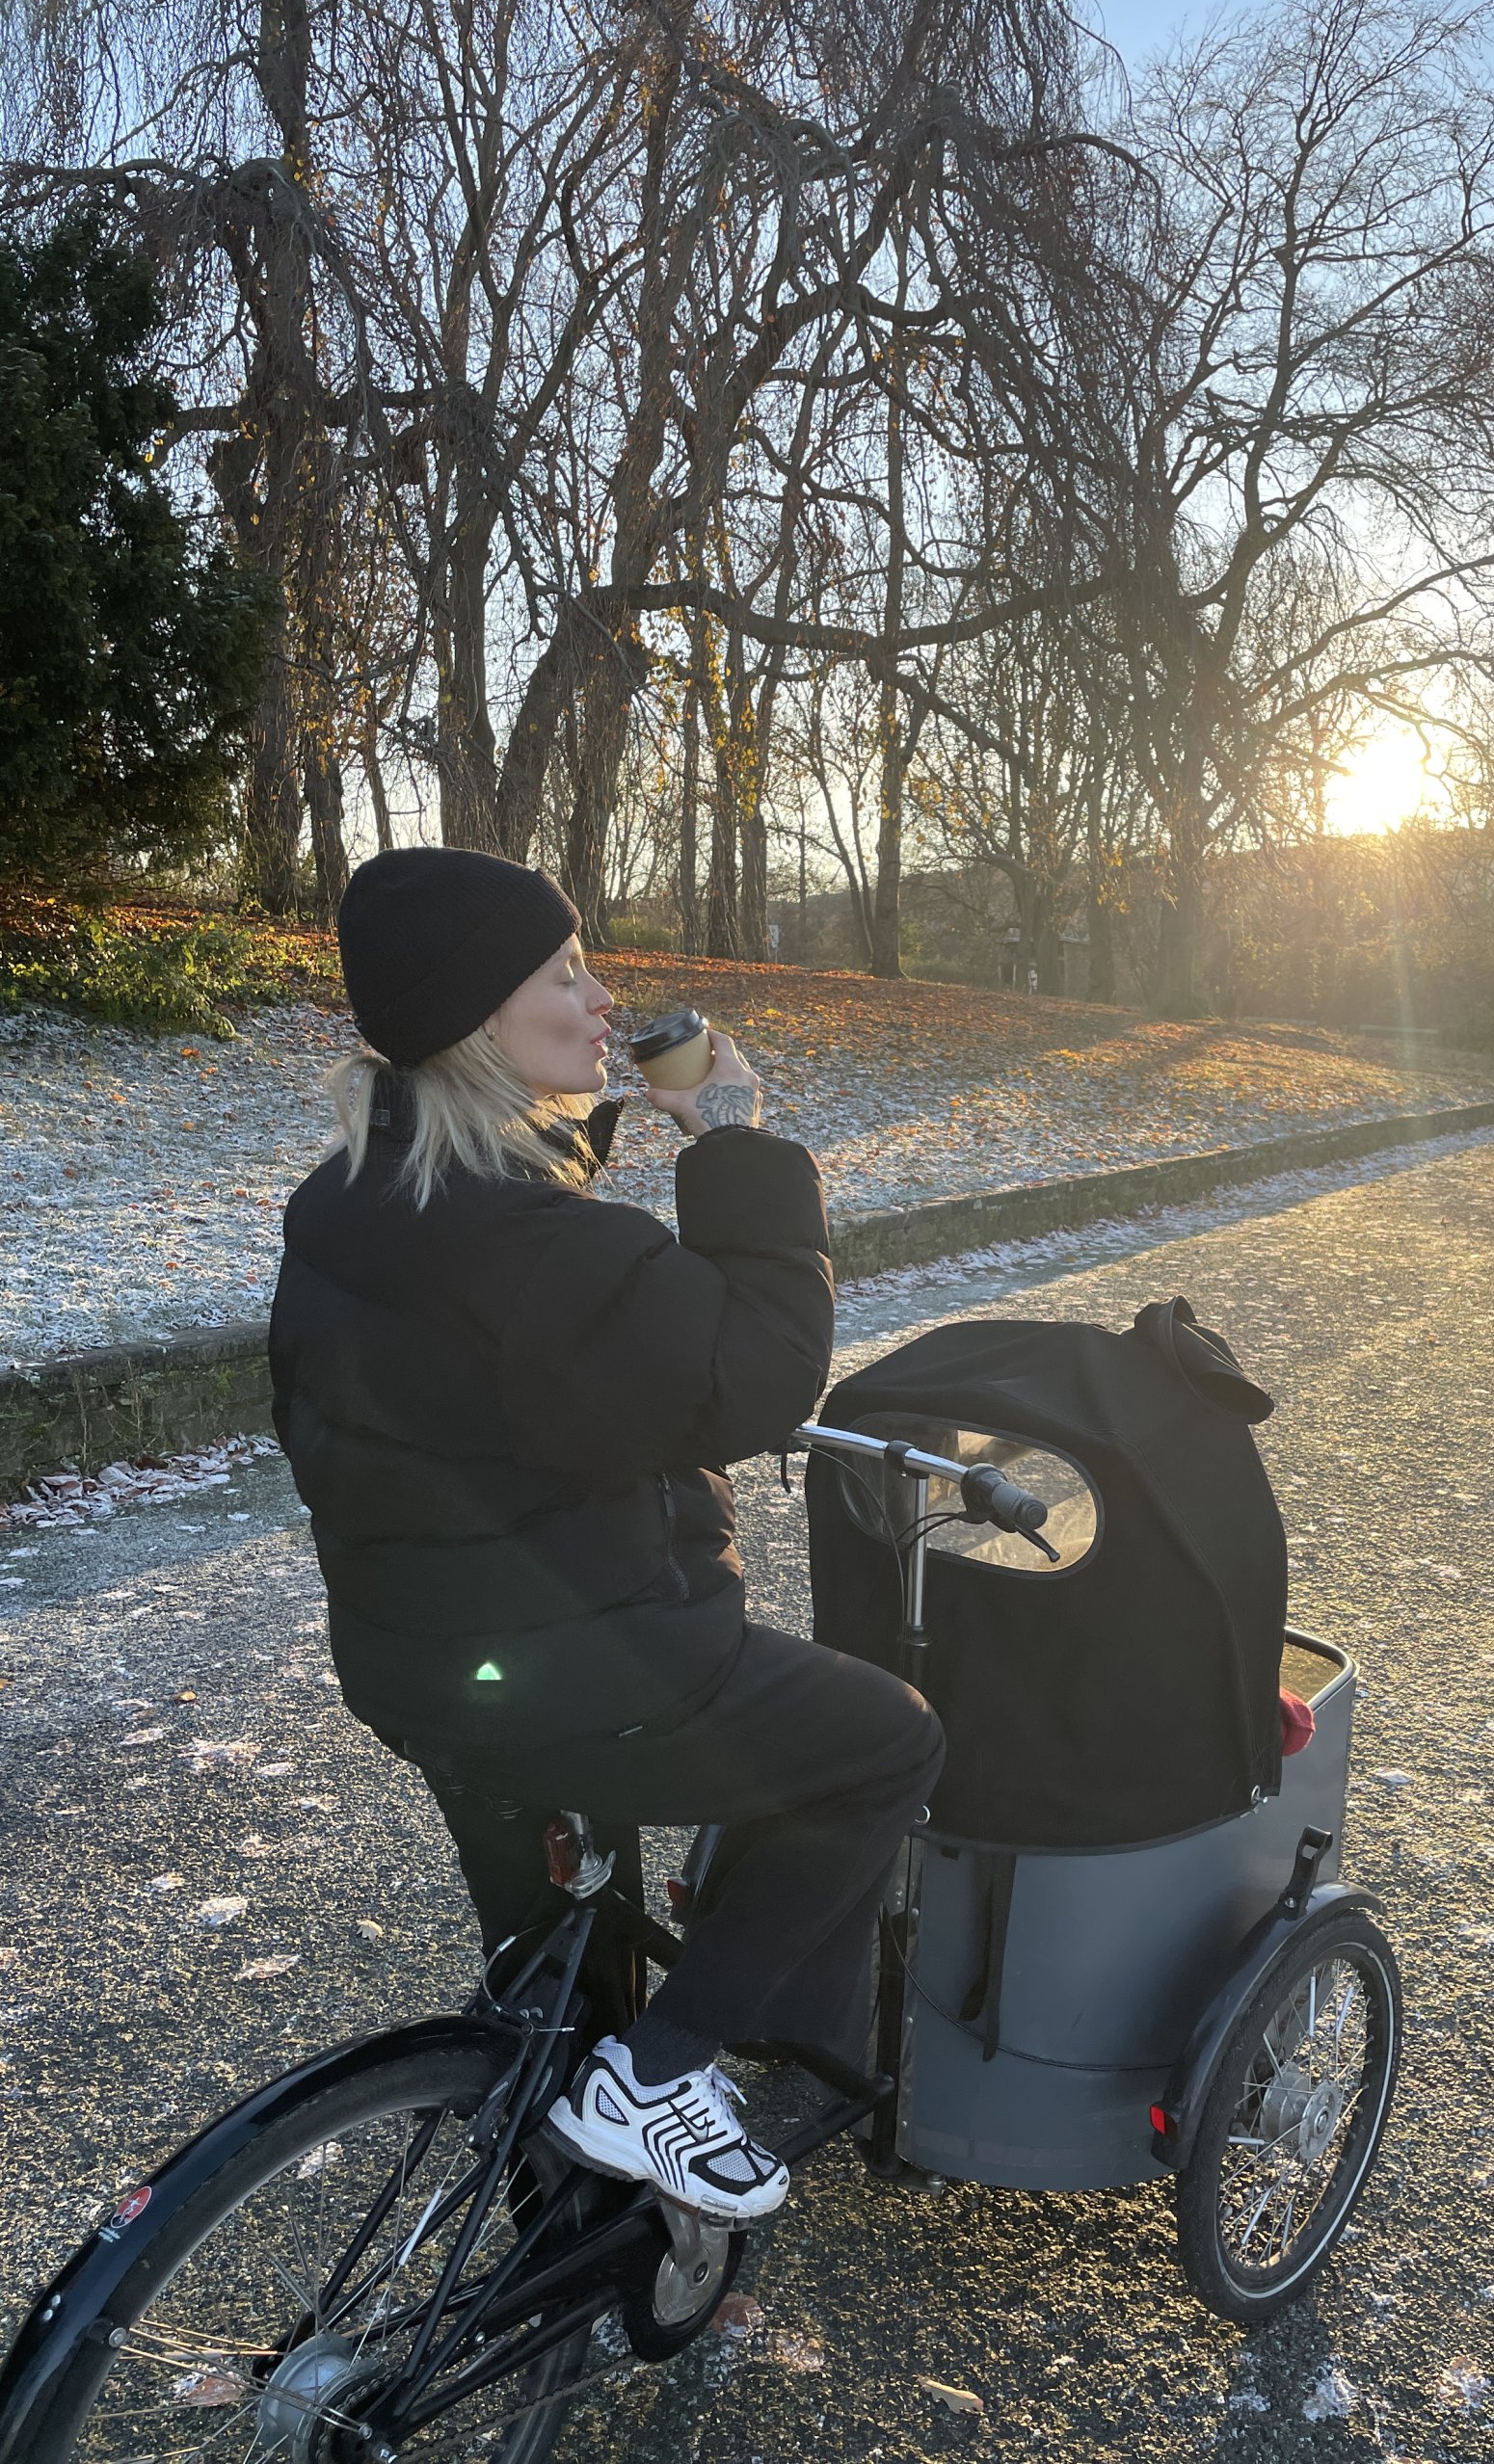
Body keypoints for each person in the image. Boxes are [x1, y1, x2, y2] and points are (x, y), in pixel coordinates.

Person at [268, 847, 943, 2222]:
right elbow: (755, 1381)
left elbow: (508, 1341)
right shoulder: (526, 1242)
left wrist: (596, 1125)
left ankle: (560, 2259)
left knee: (547, 1983)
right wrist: (734, 1143)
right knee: (886, 1743)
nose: (602, 1001)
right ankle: (665, 2070)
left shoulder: (358, 1198)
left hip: (416, 1668)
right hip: (599, 1670)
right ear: (477, 1019)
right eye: (565, 976)